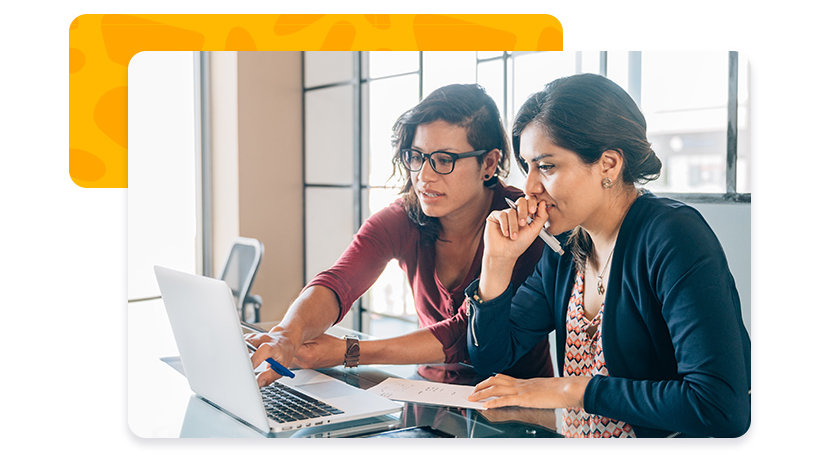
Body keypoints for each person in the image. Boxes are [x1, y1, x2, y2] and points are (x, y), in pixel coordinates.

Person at [464, 74, 751, 438]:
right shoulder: (566, 246)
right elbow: (491, 358)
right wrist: (497, 264)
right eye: (527, 167)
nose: (530, 188)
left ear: (609, 165)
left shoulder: (674, 236)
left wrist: (570, 390)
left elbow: (719, 407)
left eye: (547, 166)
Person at [247, 84, 552, 388]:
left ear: (488, 163)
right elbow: (338, 281)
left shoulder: (523, 225)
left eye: (444, 160)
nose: (424, 176)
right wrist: (287, 334)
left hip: (514, 406)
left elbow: (463, 335)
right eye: (416, 156)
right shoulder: (406, 215)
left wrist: (349, 351)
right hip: (427, 391)